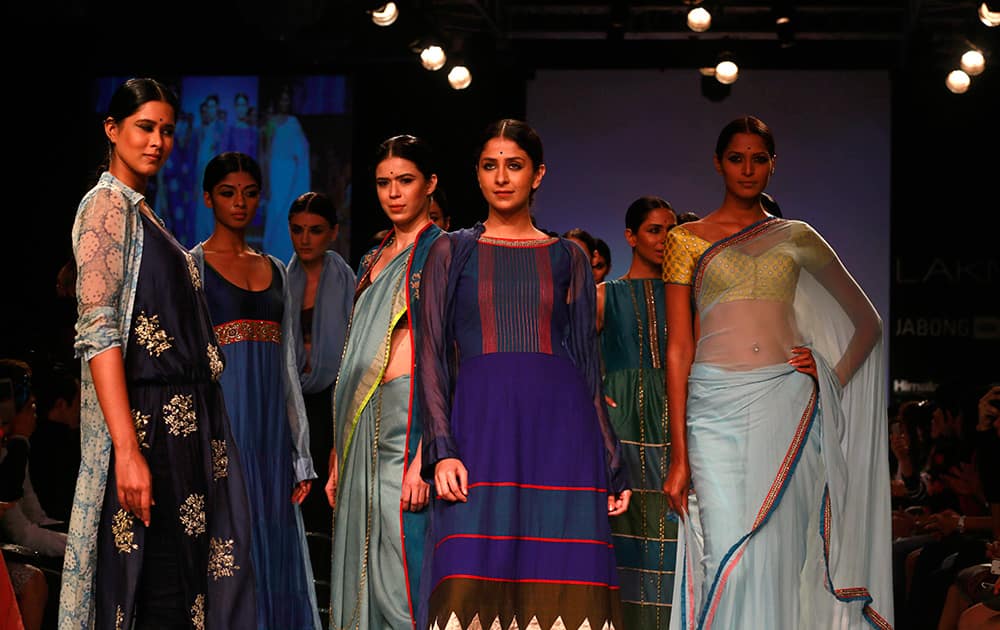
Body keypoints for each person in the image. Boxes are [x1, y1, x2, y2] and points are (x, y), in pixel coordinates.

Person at [661, 115, 891, 629]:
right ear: (718, 163)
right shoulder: (685, 240)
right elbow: (679, 347)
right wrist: (678, 456)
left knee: (781, 560)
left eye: (758, 158)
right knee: (727, 559)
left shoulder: (797, 236)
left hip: (786, 408)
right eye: (736, 158)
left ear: (773, 165)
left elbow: (867, 323)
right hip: (712, 410)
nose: (747, 168)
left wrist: (827, 372)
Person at [417, 119, 631, 630]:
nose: (502, 177)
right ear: (477, 175)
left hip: (561, 439)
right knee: (468, 586)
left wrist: (610, 458)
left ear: (538, 175)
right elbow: (430, 356)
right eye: (490, 166)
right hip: (480, 434)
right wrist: (441, 450)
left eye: (514, 166)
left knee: (560, 591)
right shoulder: (451, 250)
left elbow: (585, 364)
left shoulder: (568, 256)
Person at [61, 77, 257, 629]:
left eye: (167, 130)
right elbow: (100, 333)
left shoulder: (143, 212)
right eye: (145, 127)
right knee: (155, 591)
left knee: (177, 589)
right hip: (148, 428)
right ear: (112, 129)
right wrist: (126, 449)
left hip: (180, 428)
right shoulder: (105, 208)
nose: (157, 141)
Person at [190, 151, 321, 629]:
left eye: (248, 193)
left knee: (273, 542)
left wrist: (300, 450)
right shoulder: (193, 268)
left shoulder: (277, 270)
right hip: (224, 429)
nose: (239, 202)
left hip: (270, 435)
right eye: (227, 193)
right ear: (208, 198)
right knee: (231, 545)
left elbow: (287, 366)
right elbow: (189, 365)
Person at [325, 134, 443, 630]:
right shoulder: (371, 261)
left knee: (402, 571)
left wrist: (426, 453)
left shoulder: (442, 253)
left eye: (406, 181)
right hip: (359, 430)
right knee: (360, 571)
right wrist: (336, 451)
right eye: (383, 183)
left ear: (430, 184)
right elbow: (355, 357)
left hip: (409, 422)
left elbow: (447, 357)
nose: (394, 193)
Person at [596, 195, 677, 629]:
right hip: (624, 425)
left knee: (673, 536)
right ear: (630, 236)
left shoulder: (686, 297)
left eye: (671, 230)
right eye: (654, 230)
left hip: (676, 421)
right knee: (627, 538)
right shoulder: (606, 295)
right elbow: (567, 350)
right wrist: (592, 393)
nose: (665, 239)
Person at [286, 191, 354, 536]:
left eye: (315, 230)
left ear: (333, 232)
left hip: (335, 400)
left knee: (327, 503)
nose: (305, 239)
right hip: (293, 401)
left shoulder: (349, 285)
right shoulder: (281, 282)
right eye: (297, 230)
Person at [262, 83, 311, 265]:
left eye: (287, 99)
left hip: (291, 174)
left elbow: (302, 150)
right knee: (275, 211)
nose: (285, 102)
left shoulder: (294, 123)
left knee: (288, 212)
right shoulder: (271, 122)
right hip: (276, 171)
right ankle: (272, 256)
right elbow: (266, 151)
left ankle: (288, 257)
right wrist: (266, 179)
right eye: (282, 98)